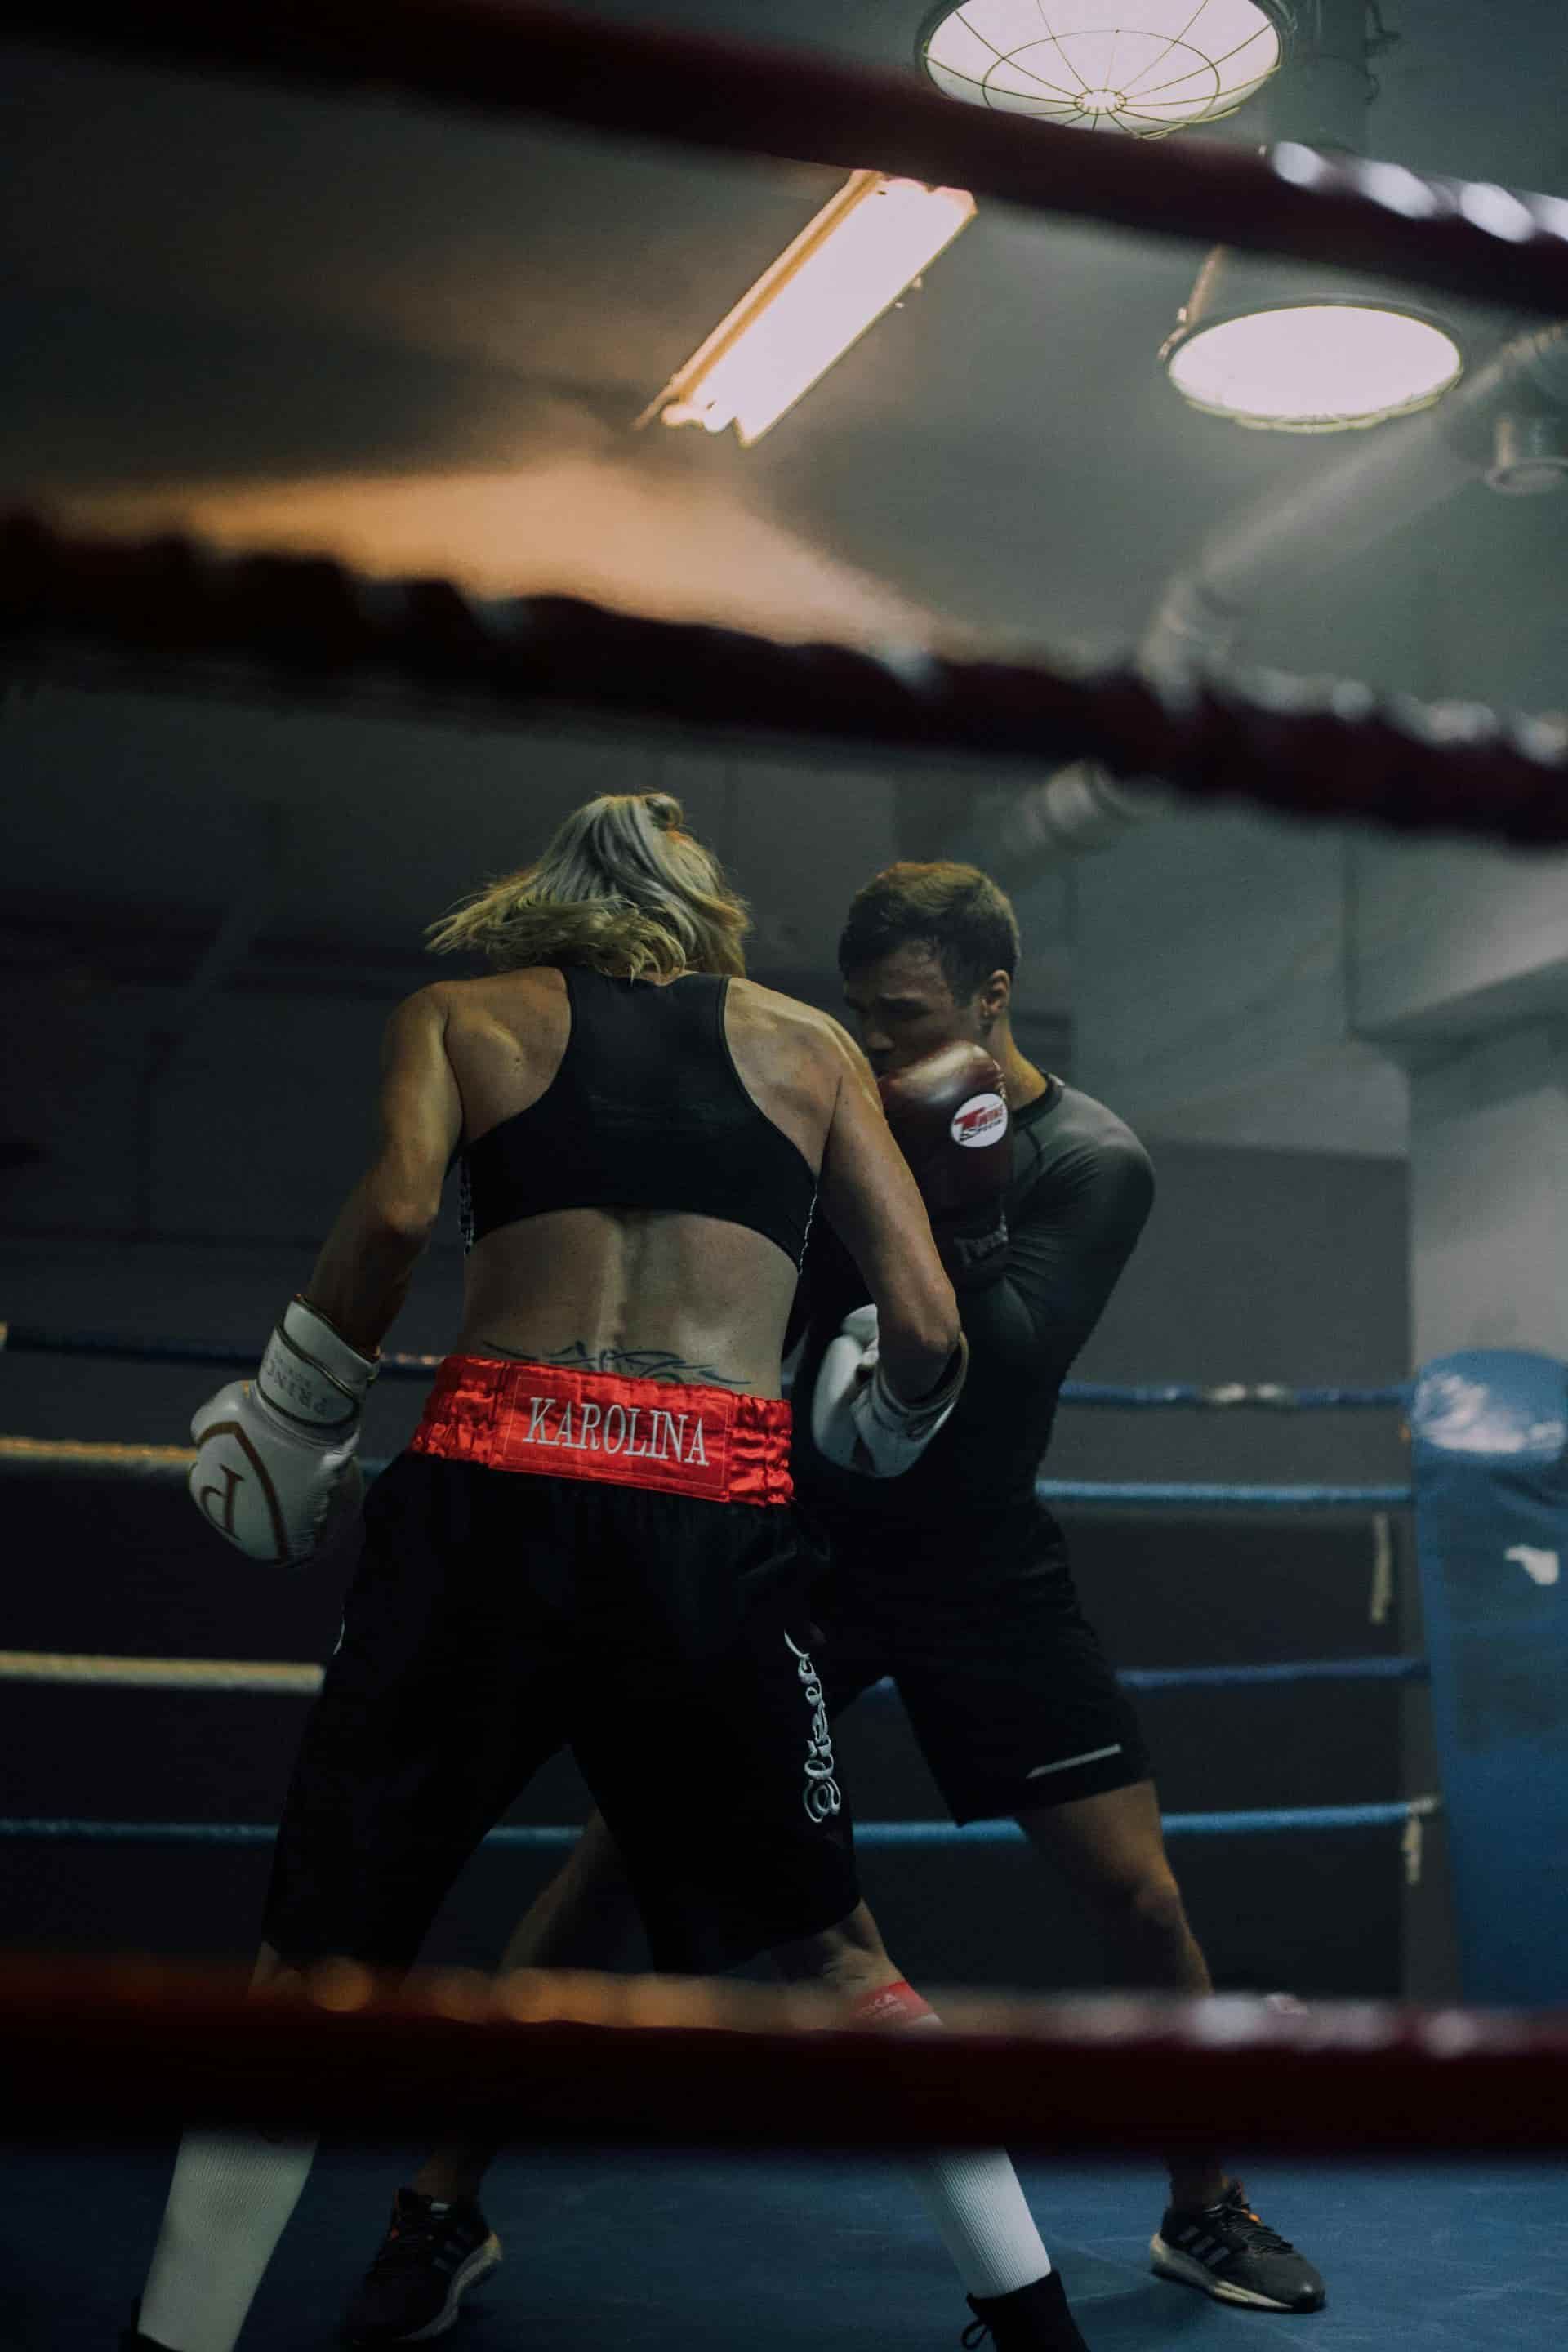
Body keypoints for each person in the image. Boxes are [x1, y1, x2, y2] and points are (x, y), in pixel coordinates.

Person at [124, 801, 1100, 2352]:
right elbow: (927, 1334)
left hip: (487, 1513)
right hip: (707, 1520)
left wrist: (301, 1410)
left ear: (542, 910)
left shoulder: (463, 1012)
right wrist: (884, 1414)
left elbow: (387, 1219)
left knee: (307, 1972)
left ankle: (171, 2341)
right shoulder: (807, 1048)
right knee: (842, 1960)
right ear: (707, 915)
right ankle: (1042, 2330)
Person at [350, 858, 1326, 2341]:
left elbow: (998, 1360)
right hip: (790, 1544)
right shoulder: (822, 1110)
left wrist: (958, 1181)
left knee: (1139, 1895)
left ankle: (1205, 2205)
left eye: (906, 1020)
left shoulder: (1092, 1159)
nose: (873, 1050)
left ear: (993, 997)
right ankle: (440, 2207)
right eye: (860, 1021)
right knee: (615, 1859)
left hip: (979, 1563)